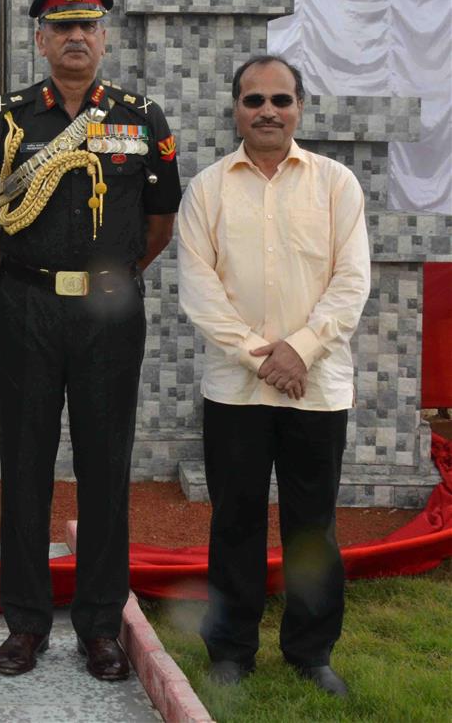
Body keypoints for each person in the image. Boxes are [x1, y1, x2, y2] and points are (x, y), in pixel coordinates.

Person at [0, 0, 182, 681]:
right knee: (25, 465)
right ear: (41, 38)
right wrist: (39, 279)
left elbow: (158, 225)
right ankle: (25, 625)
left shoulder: (142, 118)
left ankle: (98, 627)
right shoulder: (7, 119)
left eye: (87, 25)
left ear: (105, 37)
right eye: (62, 27)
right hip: (26, 308)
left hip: (108, 315)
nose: (76, 37)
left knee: (105, 466)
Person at [178, 55, 369, 697]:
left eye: (280, 100)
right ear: (235, 108)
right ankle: (231, 650)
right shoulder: (206, 189)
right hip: (236, 390)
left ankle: (311, 654)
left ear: (299, 109)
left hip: (316, 389)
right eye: (254, 99)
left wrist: (303, 350)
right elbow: (201, 293)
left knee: (312, 526)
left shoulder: (337, 184)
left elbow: (351, 283)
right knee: (235, 519)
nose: (267, 111)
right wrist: (267, 357)